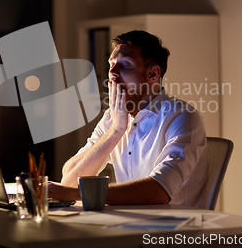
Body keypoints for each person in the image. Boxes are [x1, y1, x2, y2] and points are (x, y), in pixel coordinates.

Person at [49, 30, 208, 206]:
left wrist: (76, 194)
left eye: (125, 65)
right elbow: (69, 180)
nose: (113, 74)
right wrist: (115, 131)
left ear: (153, 74)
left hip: (173, 229)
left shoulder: (182, 117)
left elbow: (158, 192)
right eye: (111, 65)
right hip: (128, 224)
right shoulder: (114, 117)